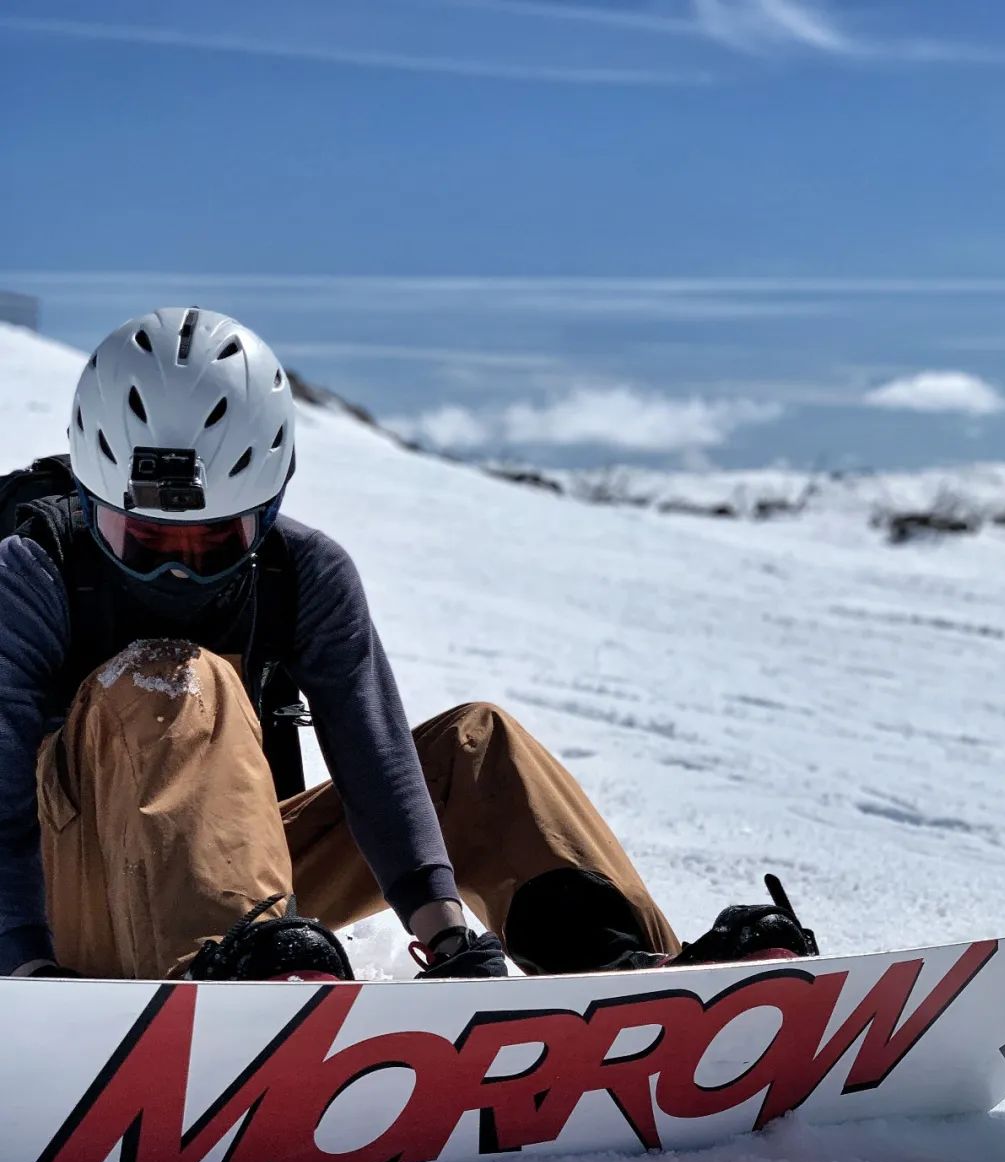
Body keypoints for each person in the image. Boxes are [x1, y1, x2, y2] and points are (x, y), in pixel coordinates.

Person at [0, 308, 816, 984]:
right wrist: (26, 978)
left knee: (474, 745)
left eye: (213, 542)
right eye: (142, 539)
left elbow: (377, 764)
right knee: (178, 677)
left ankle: (628, 980)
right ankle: (230, 1009)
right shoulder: (31, 570)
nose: (177, 568)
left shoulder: (304, 573)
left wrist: (448, 934)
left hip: (238, 892)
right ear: (89, 492)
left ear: (269, 506)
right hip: (46, 902)